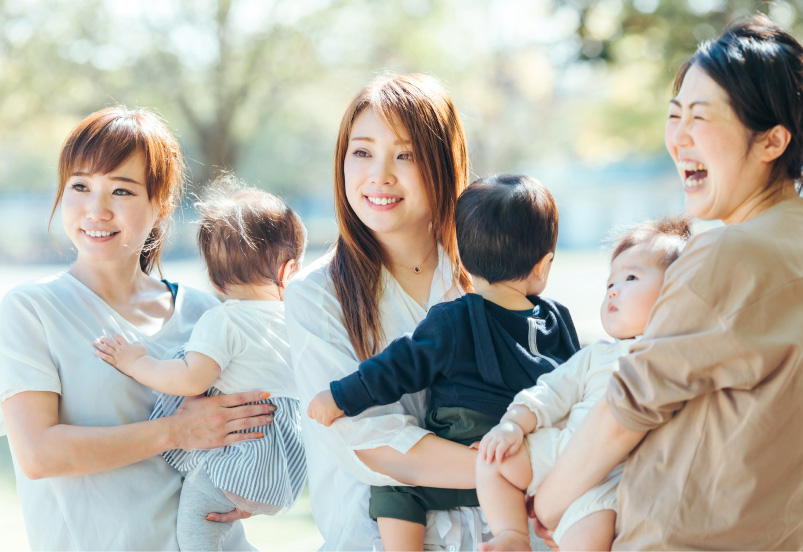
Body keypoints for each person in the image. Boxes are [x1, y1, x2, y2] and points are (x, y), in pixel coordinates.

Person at [533, 15, 803, 550]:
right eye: (674, 115)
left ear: (771, 140)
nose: (678, 138)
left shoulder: (728, 251)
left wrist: (546, 503)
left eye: (700, 118)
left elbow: (624, 408)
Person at [0, 107, 274, 551]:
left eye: (122, 191)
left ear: (160, 206)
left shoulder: (207, 312)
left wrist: (257, 482)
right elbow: (38, 454)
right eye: (81, 186)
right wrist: (177, 431)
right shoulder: (32, 311)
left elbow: (263, 417)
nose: (97, 210)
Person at [307, 174, 581, 551]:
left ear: (464, 261)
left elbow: (397, 366)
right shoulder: (559, 319)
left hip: (464, 446)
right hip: (533, 453)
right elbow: (576, 386)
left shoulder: (454, 318)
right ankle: (513, 534)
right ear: (543, 265)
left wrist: (339, 396)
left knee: (394, 486)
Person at [285, 73, 495, 550]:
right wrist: (517, 469)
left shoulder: (488, 279)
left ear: (443, 163)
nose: (379, 175)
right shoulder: (317, 295)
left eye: (405, 155)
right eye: (361, 152)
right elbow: (372, 441)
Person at [93, 177, 308, 551]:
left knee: (197, 526)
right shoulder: (295, 323)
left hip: (239, 461)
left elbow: (191, 380)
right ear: (290, 271)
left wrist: (136, 362)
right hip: (282, 470)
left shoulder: (224, 320)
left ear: (214, 279)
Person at [475, 216, 693, 552]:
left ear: (677, 293)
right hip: (561, 452)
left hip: (612, 484)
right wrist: (512, 425)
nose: (613, 290)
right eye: (610, 284)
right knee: (493, 460)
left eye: (631, 277)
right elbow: (550, 390)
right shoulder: (595, 356)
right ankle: (513, 537)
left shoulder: (677, 355)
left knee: (589, 538)